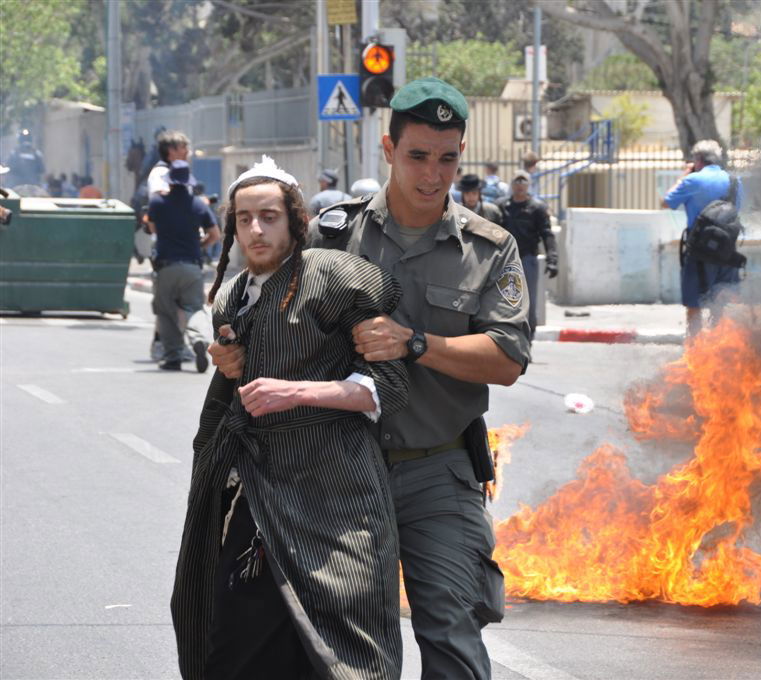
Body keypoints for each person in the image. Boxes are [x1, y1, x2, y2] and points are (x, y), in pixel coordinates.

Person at [210, 77, 531, 680]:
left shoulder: (491, 249)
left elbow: (507, 358)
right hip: (330, 470)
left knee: (453, 633)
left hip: (438, 471)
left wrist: (416, 343)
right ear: (388, 150)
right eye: (417, 156)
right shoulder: (333, 234)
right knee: (331, 643)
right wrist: (230, 350)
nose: (432, 174)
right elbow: (254, 304)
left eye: (447, 158)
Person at [171, 156, 409, 680]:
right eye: (244, 218)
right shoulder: (231, 297)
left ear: (296, 220)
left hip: (334, 495)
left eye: (270, 216)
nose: (256, 230)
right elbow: (232, 397)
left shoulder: (337, 280)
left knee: (345, 652)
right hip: (256, 496)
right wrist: (231, 366)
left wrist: (298, 392)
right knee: (234, 644)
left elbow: (389, 388)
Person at [661, 139, 744, 339]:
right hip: (727, 250)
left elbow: (666, 202)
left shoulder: (692, 181)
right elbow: (738, 209)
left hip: (698, 252)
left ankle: (695, 347)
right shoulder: (734, 182)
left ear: (697, 159)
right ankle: (718, 347)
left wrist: (685, 175)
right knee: (722, 302)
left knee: (694, 305)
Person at [145, 160, 219, 372]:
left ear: (169, 181)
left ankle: (173, 356)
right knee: (194, 309)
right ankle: (199, 339)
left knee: (166, 312)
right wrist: (200, 245)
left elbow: (152, 227)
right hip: (193, 267)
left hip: (166, 265)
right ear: (188, 182)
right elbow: (215, 235)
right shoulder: (198, 204)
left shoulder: (158, 202)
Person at [495, 169, 558, 340]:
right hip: (505, 260)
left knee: (528, 304)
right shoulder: (501, 206)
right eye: (517, 181)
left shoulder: (537, 208)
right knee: (504, 303)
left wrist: (553, 260)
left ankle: (527, 342)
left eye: (524, 182)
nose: (520, 185)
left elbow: (547, 234)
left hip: (527, 258)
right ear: (512, 185)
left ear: (528, 185)